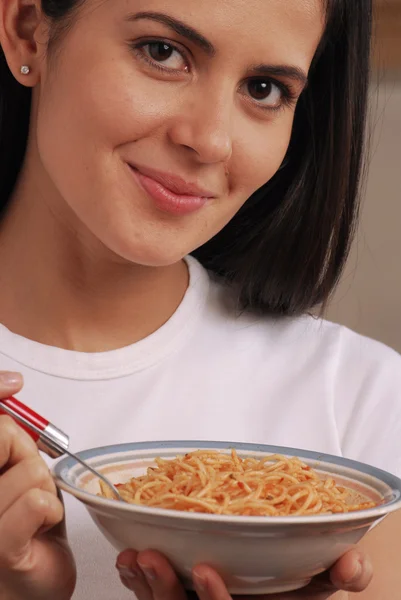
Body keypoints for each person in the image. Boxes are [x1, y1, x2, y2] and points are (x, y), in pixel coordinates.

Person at [0, 0, 400, 598]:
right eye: (163, 52)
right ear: (28, 31)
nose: (210, 140)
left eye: (264, 89)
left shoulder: (365, 402)